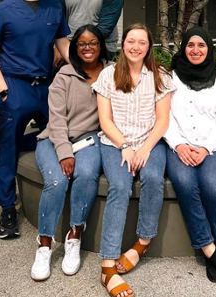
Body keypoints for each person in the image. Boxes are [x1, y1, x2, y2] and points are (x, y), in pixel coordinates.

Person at [0, 0, 70, 239]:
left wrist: (87, 73)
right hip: (14, 86)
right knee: (10, 149)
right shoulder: (1, 11)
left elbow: (64, 45)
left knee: (61, 135)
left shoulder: (54, 8)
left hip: (46, 86)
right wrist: (3, 90)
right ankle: (7, 207)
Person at [92, 23, 175, 297]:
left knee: (153, 179)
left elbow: (162, 120)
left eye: (141, 42)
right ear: (123, 44)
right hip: (116, 142)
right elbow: (105, 121)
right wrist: (125, 146)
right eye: (131, 41)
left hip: (150, 141)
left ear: (149, 46)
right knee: (119, 186)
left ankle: (142, 242)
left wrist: (145, 148)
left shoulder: (159, 75)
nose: (135, 46)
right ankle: (107, 267)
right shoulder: (108, 75)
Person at [31, 25, 109, 281]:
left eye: (93, 42)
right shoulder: (63, 76)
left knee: (86, 174)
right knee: (57, 179)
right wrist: (64, 152)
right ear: (75, 48)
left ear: (101, 45)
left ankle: (74, 235)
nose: (88, 48)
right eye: (82, 43)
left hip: (90, 140)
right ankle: (44, 244)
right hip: (54, 139)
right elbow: (56, 120)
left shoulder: (111, 72)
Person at [164, 27, 216, 287]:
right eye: (190, 45)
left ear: (209, 49)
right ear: (183, 47)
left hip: (215, 146)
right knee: (185, 183)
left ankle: (215, 242)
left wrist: (206, 148)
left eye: (201, 46)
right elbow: (166, 117)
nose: (195, 50)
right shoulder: (171, 78)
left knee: (210, 185)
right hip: (179, 145)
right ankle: (212, 250)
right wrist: (179, 144)